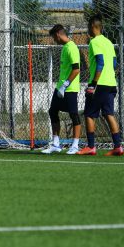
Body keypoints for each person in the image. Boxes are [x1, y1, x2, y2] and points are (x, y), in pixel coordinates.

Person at [77, 15, 124, 156]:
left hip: (100, 84)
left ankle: (91, 146)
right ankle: (118, 146)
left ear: (92, 26)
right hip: (111, 83)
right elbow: (115, 63)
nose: (87, 30)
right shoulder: (109, 42)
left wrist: (93, 84)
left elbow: (101, 62)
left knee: (89, 114)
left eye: (87, 27)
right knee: (109, 114)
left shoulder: (94, 42)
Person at [41, 24, 82, 155]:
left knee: (74, 115)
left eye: (54, 37)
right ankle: (56, 144)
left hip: (70, 88)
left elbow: (76, 69)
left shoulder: (72, 48)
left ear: (58, 34)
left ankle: (75, 145)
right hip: (60, 88)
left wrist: (66, 85)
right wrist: (61, 86)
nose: (54, 40)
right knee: (52, 111)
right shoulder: (64, 48)